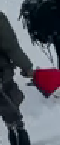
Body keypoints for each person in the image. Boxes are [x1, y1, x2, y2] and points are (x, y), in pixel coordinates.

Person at [0, 11, 33, 145]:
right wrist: (26, 67)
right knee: (9, 103)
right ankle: (17, 130)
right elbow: (11, 47)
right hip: (2, 73)